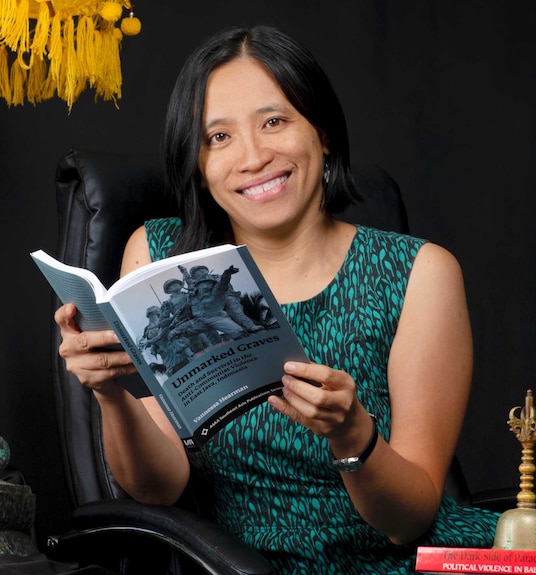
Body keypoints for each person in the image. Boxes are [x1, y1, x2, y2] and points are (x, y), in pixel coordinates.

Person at [53, 25, 498, 574]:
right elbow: (157, 487)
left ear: (324, 133)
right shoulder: (161, 257)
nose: (254, 156)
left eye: (274, 121)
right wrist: (110, 394)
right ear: (197, 162)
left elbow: (408, 521)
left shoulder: (420, 273)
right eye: (219, 137)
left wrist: (351, 435)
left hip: (410, 562)